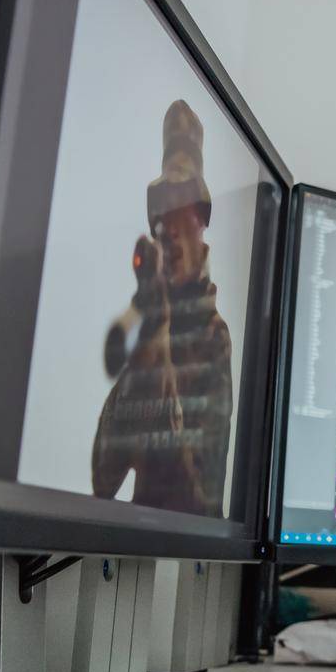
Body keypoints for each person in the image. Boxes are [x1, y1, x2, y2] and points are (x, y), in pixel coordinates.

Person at [92, 99, 233, 519]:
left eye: (181, 213)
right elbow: (103, 477)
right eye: (161, 219)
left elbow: (202, 501)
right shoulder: (150, 326)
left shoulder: (212, 337)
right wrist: (145, 354)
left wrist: (160, 354)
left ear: (200, 226)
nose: (168, 232)